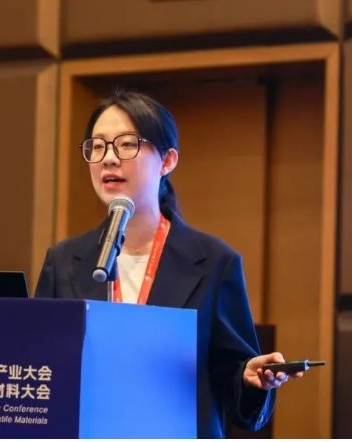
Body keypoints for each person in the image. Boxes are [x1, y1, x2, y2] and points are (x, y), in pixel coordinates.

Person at [35, 90, 301, 438]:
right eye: (97, 147)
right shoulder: (64, 260)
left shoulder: (214, 262)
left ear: (167, 160)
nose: (109, 159)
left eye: (126, 144)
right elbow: (41, 368)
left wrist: (251, 379)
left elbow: (237, 390)